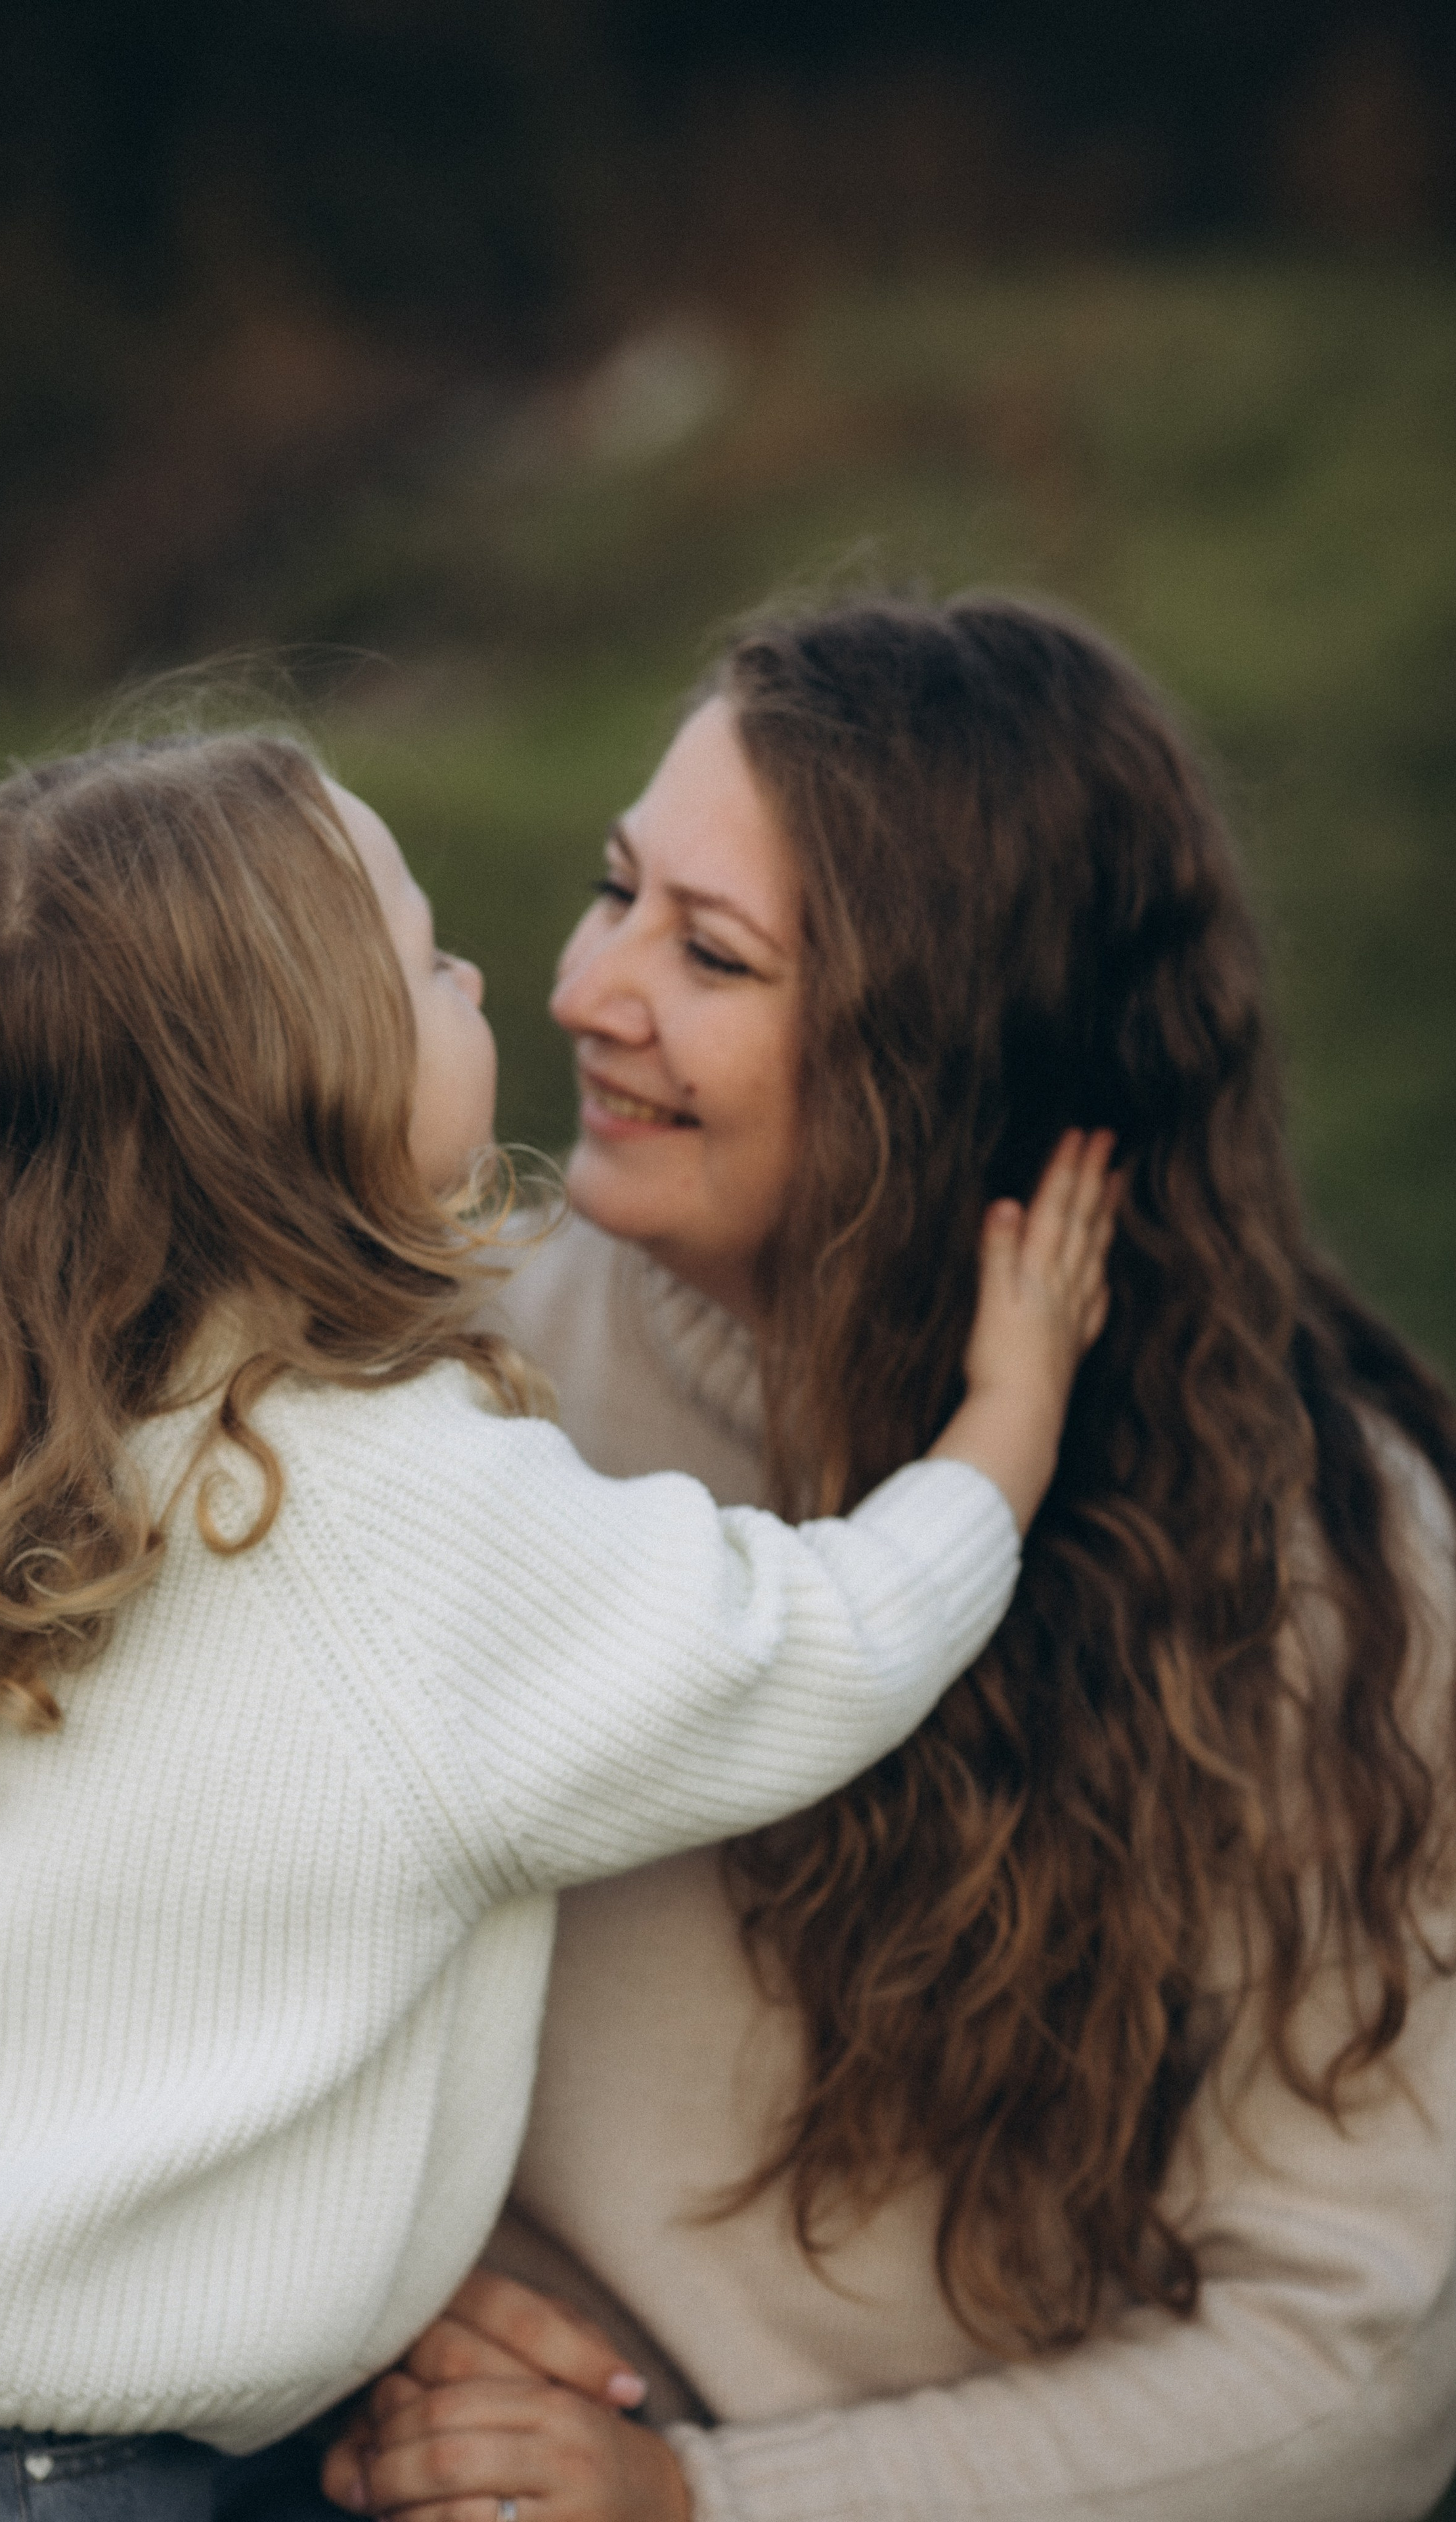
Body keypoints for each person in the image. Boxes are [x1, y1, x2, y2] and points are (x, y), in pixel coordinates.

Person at [0, 724, 1113, 2519]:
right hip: (57, 2482)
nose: (496, 979)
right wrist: (1003, 1431)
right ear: (307, 1094)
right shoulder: (386, 1505)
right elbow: (805, 1644)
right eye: (425, 963)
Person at [324, 595, 1456, 2522]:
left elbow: (1355, 2369)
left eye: (712, 954)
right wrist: (345, 2311)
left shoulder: (1318, 1580)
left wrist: (706, 2504)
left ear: (942, 1067)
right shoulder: (433, 1374)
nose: (586, 991)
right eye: (617, 893)